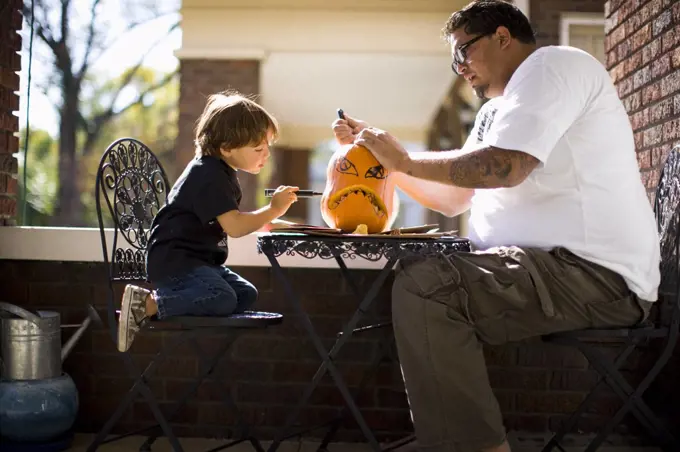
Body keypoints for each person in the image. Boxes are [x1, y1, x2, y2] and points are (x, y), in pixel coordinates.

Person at [332, 1, 660, 451]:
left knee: (430, 287)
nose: (459, 68)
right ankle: (455, 438)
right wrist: (385, 161)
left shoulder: (553, 67)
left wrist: (403, 159)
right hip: (545, 272)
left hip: (594, 276)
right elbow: (453, 196)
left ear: (503, 37)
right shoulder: (497, 110)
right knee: (421, 278)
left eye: (462, 53)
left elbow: (505, 167)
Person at [117, 91, 299, 353]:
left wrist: (272, 215)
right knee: (222, 298)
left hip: (201, 262)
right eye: (259, 148)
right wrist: (273, 210)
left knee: (245, 294)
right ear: (226, 148)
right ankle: (147, 304)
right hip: (176, 261)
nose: (267, 154)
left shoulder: (221, 172)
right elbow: (235, 227)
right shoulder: (208, 174)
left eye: (268, 146)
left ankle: (175, 302)